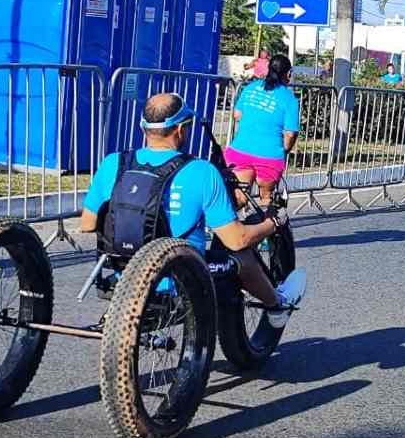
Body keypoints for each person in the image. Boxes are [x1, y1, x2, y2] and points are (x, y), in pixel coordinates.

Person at [80, 93, 304, 329]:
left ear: (143, 127)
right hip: (183, 278)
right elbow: (237, 240)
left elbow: (87, 224)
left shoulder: (113, 163)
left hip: (125, 275)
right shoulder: (202, 171)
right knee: (242, 257)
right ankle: (276, 304)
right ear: (180, 130)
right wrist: (272, 223)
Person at [225, 54, 300, 208]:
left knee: (239, 198)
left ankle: (227, 223)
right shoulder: (289, 98)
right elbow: (290, 134)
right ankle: (266, 222)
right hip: (269, 156)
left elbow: (237, 114)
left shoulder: (251, 87)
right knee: (266, 200)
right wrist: (284, 149)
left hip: (240, 150)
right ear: (288, 74)